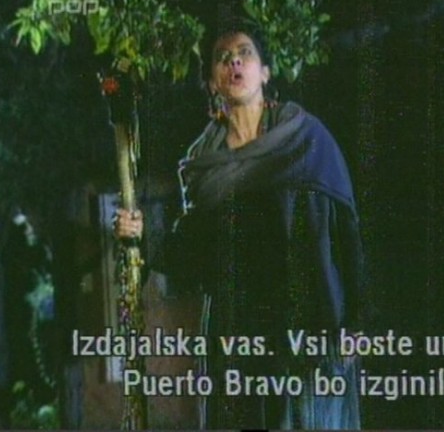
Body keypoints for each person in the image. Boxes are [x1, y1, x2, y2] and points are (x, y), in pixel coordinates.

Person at [114, 23, 367, 429]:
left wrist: (356, 321)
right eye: (223, 57)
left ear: (265, 72)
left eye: (245, 53)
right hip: (239, 334)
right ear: (213, 82)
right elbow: (192, 256)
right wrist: (142, 235)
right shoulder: (204, 162)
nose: (234, 61)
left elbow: (347, 236)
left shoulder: (308, 139)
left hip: (307, 325)